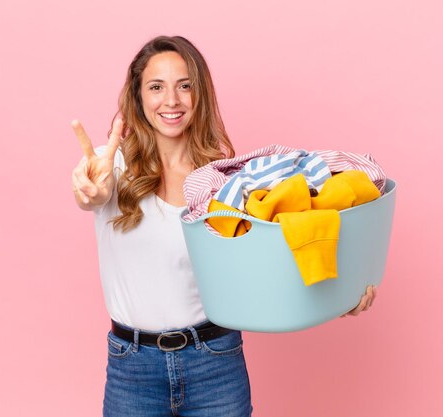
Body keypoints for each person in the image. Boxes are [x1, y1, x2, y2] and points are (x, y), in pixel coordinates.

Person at [71, 35, 376, 417]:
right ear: (138, 97)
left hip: (215, 361)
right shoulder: (108, 166)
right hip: (132, 367)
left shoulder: (224, 179)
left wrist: (337, 297)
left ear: (200, 94)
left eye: (185, 86)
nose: (172, 100)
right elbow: (90, 195)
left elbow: (264, 265)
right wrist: (91, 192)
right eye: (156, 87)